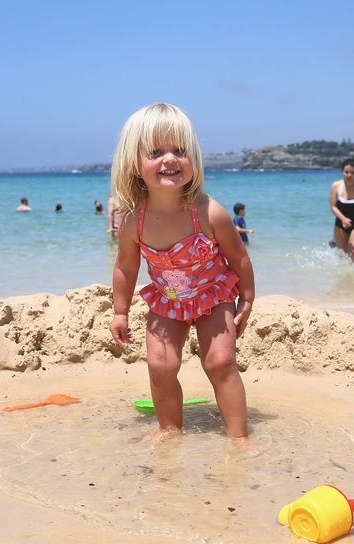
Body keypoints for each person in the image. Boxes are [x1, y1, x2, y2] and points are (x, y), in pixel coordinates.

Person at [109, 103, 260, 454]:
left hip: (214, 294)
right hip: (167, 300)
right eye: (156, 152)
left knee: (220, 363)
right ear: (134, 163)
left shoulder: (208, 212)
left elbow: (239, 257)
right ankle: (170, 428)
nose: (170, 159)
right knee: (161, 365)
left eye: (180, 150)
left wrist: (247, 298)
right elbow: (126, 268)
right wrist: (120, 312)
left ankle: (239, 436)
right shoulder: (133, 222)